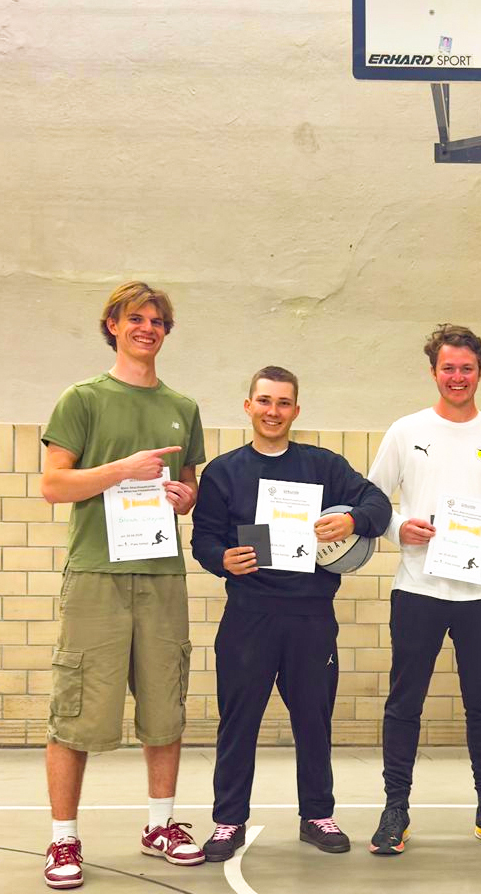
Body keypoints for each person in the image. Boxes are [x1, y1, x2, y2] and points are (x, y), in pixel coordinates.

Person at [39, 282, 206, 889]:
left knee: (165, 707)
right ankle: (63, 838)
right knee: (77, 711)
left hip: (161, 575)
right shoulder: (82, 398)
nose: (147, 328)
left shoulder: (182, 406)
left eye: (157, 321)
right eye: (136, 318)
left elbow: (189, 488)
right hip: (96, 576)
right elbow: (53, 485)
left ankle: (160, 826)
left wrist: (185, 497)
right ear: (113, 325)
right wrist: (122, 470)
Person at [190, 366, 392, 860]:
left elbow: (379, 504)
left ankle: (317, 815)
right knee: (238, 721)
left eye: (283, 403)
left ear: (296, 410)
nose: (273, 411)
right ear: (248, 406)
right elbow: (203, 539)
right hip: (248, 616)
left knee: (313, 720)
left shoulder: (323, 466)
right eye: (264, 401)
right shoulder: (223, 471)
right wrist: (221, 559)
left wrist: (352, 519)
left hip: (310, 617)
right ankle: (228, 821)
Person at [366, 324, 481, 855]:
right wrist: (400, 528)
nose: (457, 377)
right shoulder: (405, 431)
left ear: (480, 372)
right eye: (448, 368)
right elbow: (373, 501)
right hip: (417, 588)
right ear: (433, 371)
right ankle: (395, 809)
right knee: (405, 702)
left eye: (467, 368)